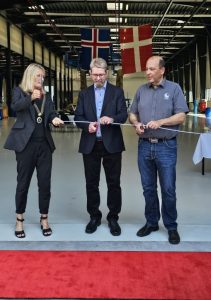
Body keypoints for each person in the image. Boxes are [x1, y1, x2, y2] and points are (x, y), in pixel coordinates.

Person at [129, 56, 189, 244]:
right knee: (148, 188)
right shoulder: (141, 90)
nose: (147, 72)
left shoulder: (174, 89)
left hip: (166, 146)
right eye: (146, 69)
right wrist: (136, 123)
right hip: (145, 146)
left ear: (162, 70)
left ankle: (171, 226)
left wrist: (161, 122)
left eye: (152, 69)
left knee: (168, 189)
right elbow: (132, 113)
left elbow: (181, 117)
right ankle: (152, 222)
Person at [4, 63, 64, 238]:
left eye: (43, 77)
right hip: (25, 146)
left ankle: (44, 218)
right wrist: (31, 98)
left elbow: (51, 112)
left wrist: (54, 119)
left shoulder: (47, 96)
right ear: (30, 76)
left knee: (45, 183)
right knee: (23, 183)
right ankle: (19, 219)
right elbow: (15, 107)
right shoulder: (20, 92)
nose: (41, 79)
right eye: (38, 76)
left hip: (44, 144)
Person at [75, 57, 128, 236]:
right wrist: (86, 125)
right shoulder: (84, 94)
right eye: (94, 75)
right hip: (90, 144)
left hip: (112, 144)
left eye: (101, 75)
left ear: (106, 73)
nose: (97, 78)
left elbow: (123, 115)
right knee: (91, 184)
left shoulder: (117, 92)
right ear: (90, 74)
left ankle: (113, 217)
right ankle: (94, 217)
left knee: (114, 183)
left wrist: (112, 119)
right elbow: (78, 117)